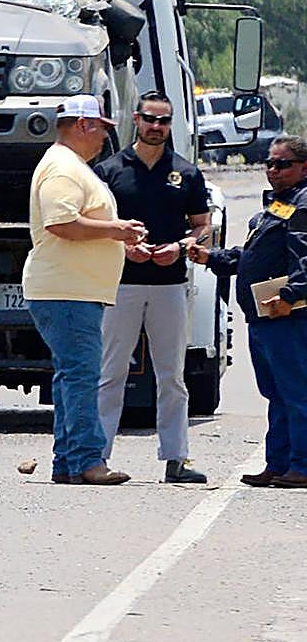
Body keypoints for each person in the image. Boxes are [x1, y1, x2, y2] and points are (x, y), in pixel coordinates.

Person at [23, 94, 145, 485]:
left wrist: (119, 242)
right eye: (102, 129)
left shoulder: (70, 166)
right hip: (68, 290)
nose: (105, 139)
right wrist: (116, 230)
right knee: (80, 376)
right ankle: (88, 460)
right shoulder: (63, 169)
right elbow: (61, 223)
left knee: (71, 375)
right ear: (84, 125)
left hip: (70, 288)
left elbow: (74, 224)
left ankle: (70, 461)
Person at [94, 91, 211, 484]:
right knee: (110, 373)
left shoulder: (186, 173)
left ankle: (176, 458)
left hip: (169, 285)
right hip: (121, 284)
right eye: (150, 119)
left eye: (164, 121)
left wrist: (180, 247)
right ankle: (97, 455)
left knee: (171, 376)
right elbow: (93, 226)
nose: (157, 127)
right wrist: (125, 247)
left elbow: (203, 225)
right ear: (137, 120)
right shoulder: (110, 170)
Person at [189, 135, 307, 488]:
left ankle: (301, 466)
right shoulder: (278, 205)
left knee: (296, 393)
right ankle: (280, 463)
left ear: (304, 167)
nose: (273, 170)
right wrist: (212, 258)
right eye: (270, 163)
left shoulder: (302, 205)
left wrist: (290, 295)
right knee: (276, 393)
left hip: (287, 315)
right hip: (264, 316)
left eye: (282, 164)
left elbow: (305, 258)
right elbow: (252, 255)